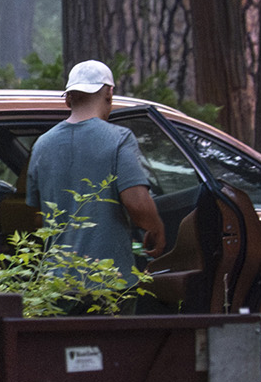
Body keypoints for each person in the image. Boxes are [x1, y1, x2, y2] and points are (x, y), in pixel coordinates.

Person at [21, 59, 167, 289]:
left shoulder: (41, 145)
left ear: (68, 98)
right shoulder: (119, 139)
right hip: (107, 283)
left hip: (55, 285)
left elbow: (37, 216)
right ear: (109, 93)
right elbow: (137, 203)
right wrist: (156, 227)